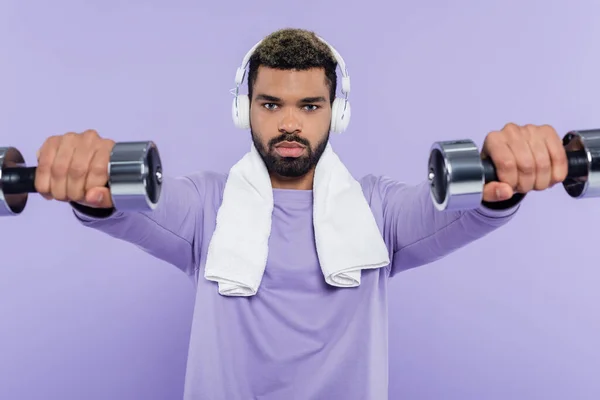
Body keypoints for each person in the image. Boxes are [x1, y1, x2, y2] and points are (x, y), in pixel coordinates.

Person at [34, 28, 568, 399]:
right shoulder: (205, 206)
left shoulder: (377, 210)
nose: (290, 124)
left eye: (309, 106)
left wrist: (509, 175)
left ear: (337, 112)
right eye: (271, 105)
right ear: (245, 110)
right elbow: (130, 204)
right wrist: (88, 178)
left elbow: (466, 208)